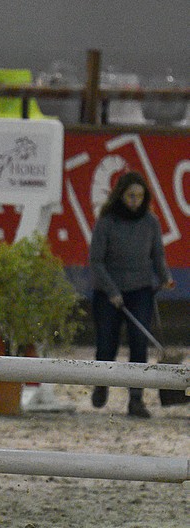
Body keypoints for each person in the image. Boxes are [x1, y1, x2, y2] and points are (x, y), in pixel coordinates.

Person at [89, 171, 175, 418]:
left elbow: (157, 255)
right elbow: (96, 262)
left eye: (139, 196)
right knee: (106, 345)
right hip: (108, 293)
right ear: (120, 196)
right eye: (130, 195)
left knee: (139, 345)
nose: (135, 200)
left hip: (140, 292)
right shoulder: (106, 222)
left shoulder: (151, 223)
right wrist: (112, 292)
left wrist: (165, 277)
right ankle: (100, 383)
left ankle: (136, 400)